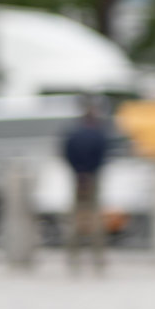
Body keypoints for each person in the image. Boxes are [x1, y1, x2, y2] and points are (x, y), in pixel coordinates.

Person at [62, 98, 112, 275]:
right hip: (93, 178)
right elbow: (103, 156)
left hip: (77, 178)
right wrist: (89, 172)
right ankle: (98, 257)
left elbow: (66, 153)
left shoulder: (73, 133)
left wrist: (79, 172)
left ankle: (72, 256)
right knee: (96, 217)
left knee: (75, 217)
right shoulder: (99, 134)